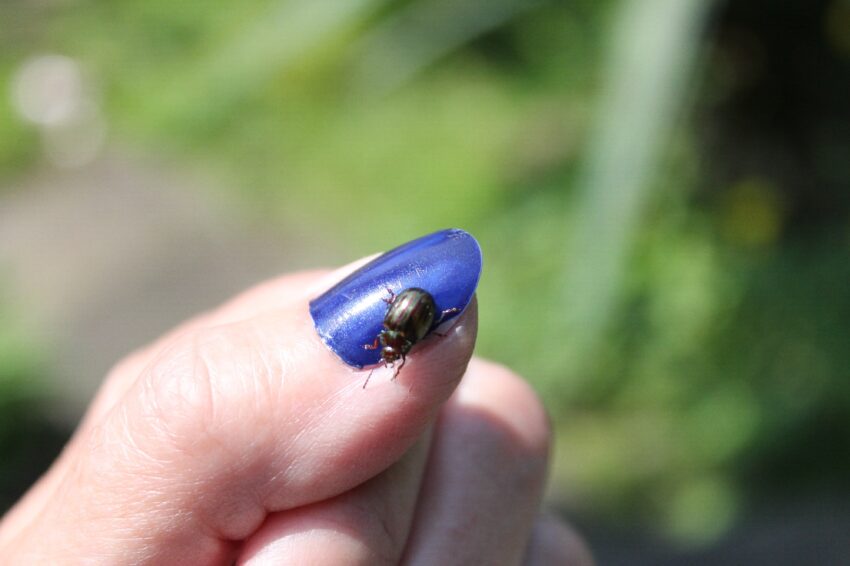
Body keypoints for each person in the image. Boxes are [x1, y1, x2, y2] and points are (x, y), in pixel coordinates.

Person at [0, 256, 592, 564]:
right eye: (390, 352)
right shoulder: (399, 337)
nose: (390, 355)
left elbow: (410, 315)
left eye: (391, 351)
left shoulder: (398, 335)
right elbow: (411, 317)